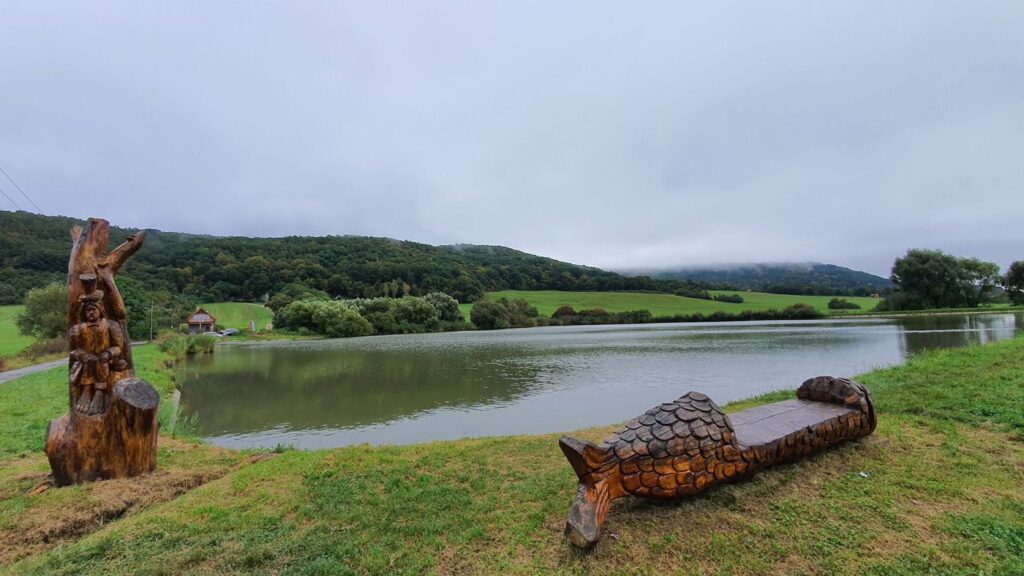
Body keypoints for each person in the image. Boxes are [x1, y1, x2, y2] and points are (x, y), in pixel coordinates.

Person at [68, 291, 126, 415]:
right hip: (87, 362)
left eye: (94, 309)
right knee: (89, 361)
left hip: (105, 360)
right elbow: (73, 349)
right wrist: (80, 354)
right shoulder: (79, 328)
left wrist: (109, 353)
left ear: (101, 309)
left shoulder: (111, 325)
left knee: (101, 361)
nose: (91, 312)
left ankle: (99, 393)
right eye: (87, 310)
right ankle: (87, 391)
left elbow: (118, 347)